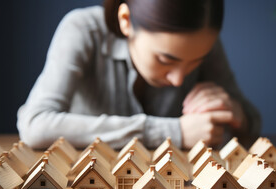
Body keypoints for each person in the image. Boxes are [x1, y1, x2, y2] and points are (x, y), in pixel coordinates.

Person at [17, 0, 260, 150]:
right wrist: (175, 132)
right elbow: (35, 125)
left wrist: (233, 112)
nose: (178, 80)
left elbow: (252, 121)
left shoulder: (205, 43)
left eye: (195, 62)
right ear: (126, 21)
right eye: (166, 59)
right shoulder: (82, 30)